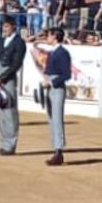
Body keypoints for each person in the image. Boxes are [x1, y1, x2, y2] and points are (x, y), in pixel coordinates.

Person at [0, 16, 26, 155]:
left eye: (7, 26)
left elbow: (16, 64)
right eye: (3, 27)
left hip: (8, 77)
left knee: (10, 111)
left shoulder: (19, 43)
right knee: (1, 111)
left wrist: (1, 77)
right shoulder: (1, 40)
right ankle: (3, 143)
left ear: (13, 27)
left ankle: (10, 145)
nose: (4, 29)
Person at [42, 28, 72, 166]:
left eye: (48, 35)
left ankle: (59, 151)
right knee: (51, 118)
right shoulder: (53, 52)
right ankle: (55, 149)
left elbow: (67, 75)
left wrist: (51, 82)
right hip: (49, 86)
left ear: (55, 37)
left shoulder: (63, 53)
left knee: (57, 119)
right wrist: (45, 80)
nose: (46, 38)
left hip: (57, 88)